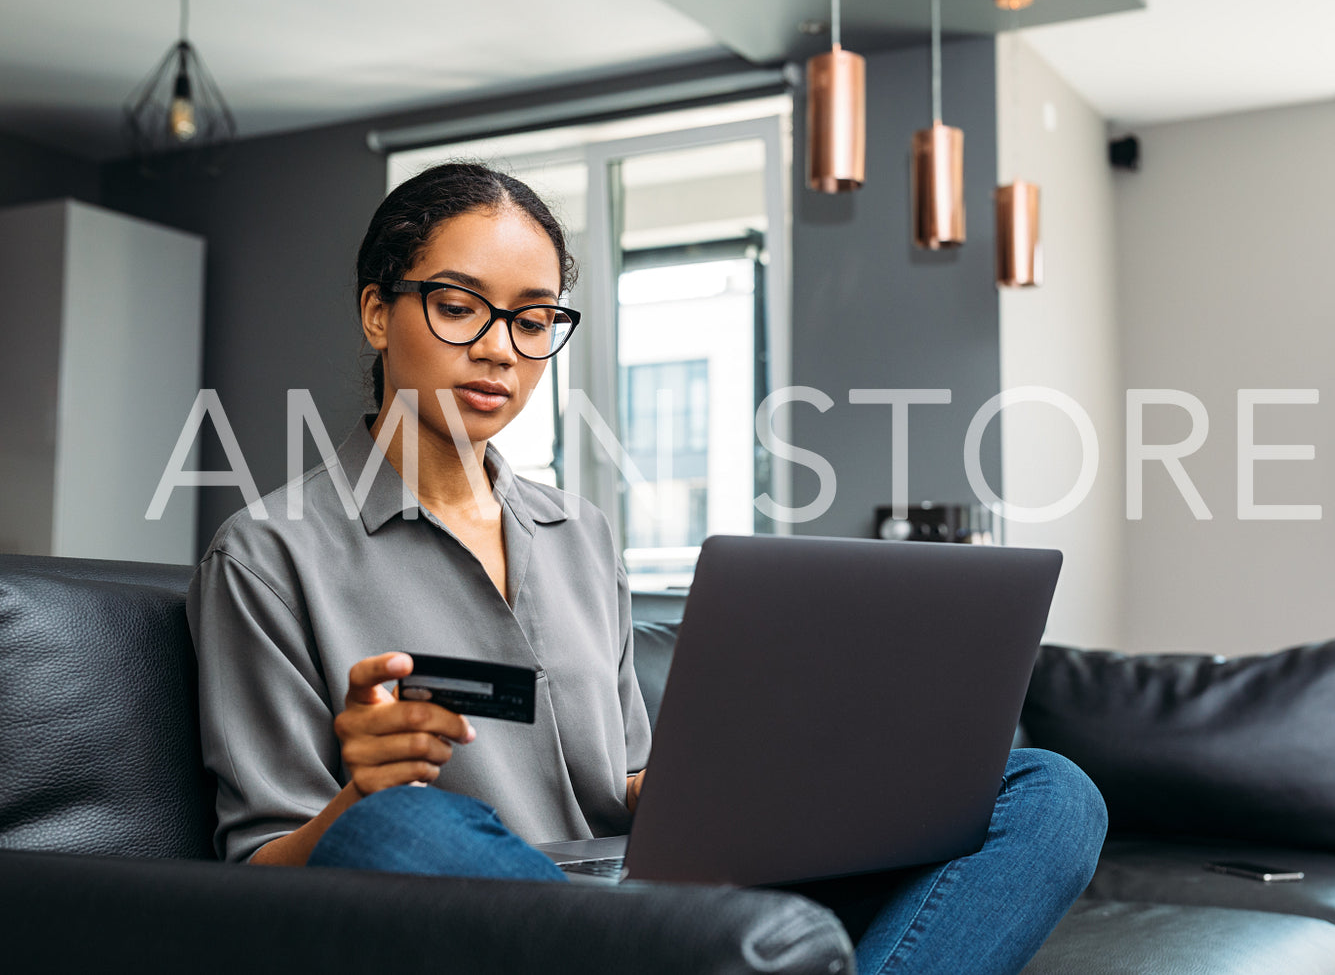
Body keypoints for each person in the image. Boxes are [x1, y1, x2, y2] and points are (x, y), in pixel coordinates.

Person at [186, 160, 1107, 974]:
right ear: (378, 312)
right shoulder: (269, 554)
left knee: (1050, 790)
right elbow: (262, 861)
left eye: (534, 318)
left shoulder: (579, 533)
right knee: (394, 827)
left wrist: (787, 774)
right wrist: (360, 796)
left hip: (650, 897)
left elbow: (627, 782)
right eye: (459, 305)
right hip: (479, 908)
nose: (501, 347)